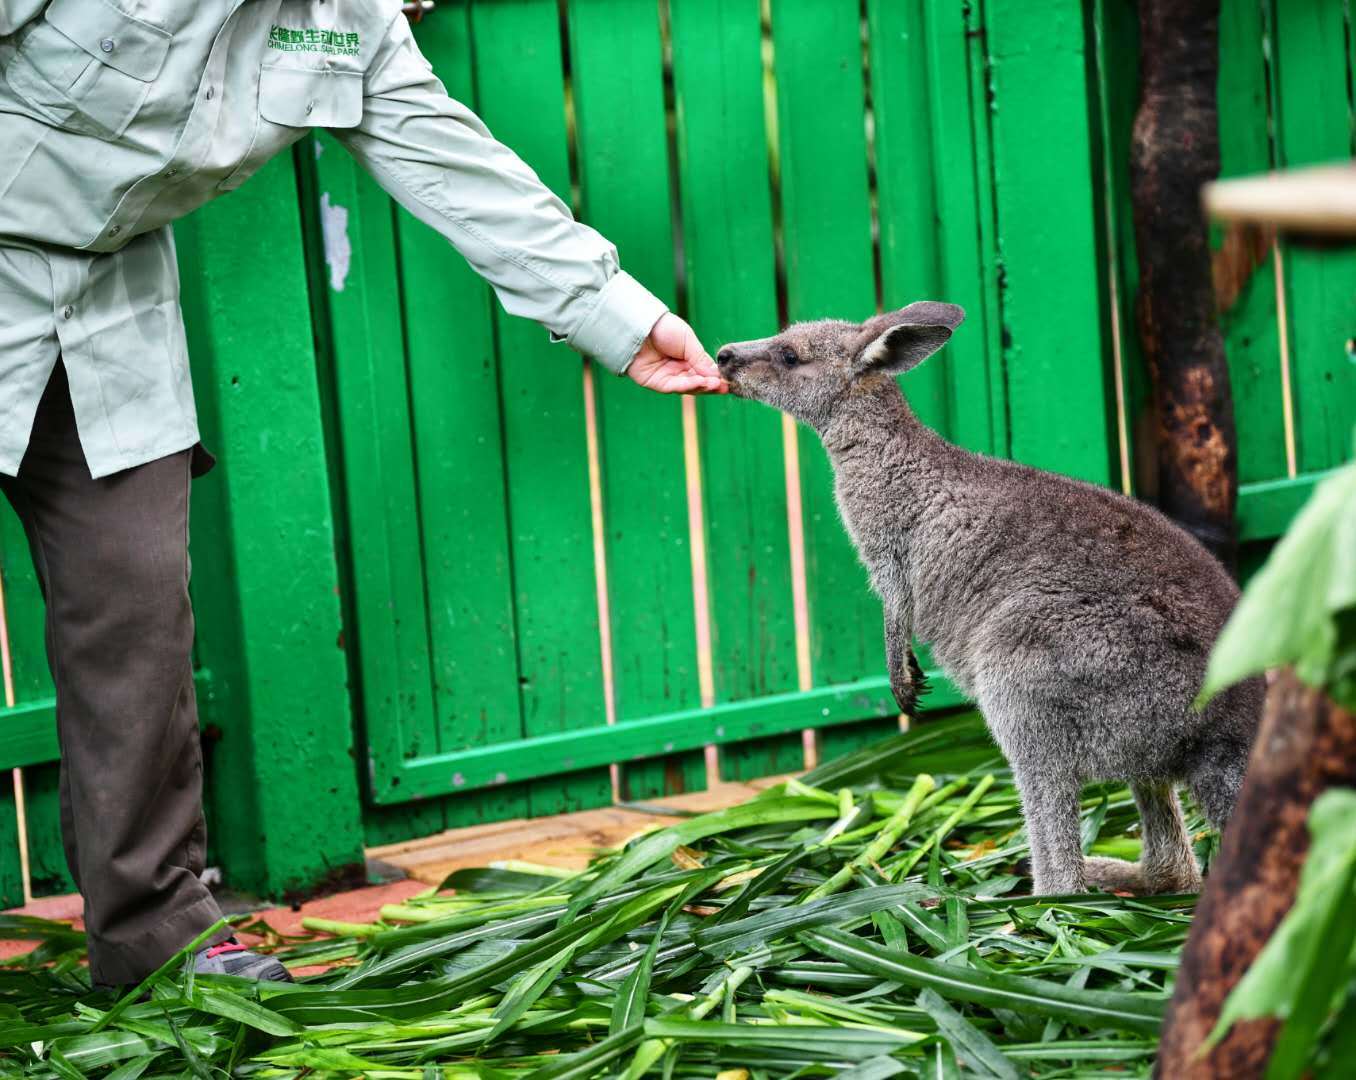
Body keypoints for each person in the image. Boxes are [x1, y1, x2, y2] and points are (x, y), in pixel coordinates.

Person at [0, 0, 725, 987]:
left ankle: (155, 944)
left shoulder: (348, 20)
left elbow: (454, 165)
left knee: (134, 619)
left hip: (110, 311)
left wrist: (615, 314)